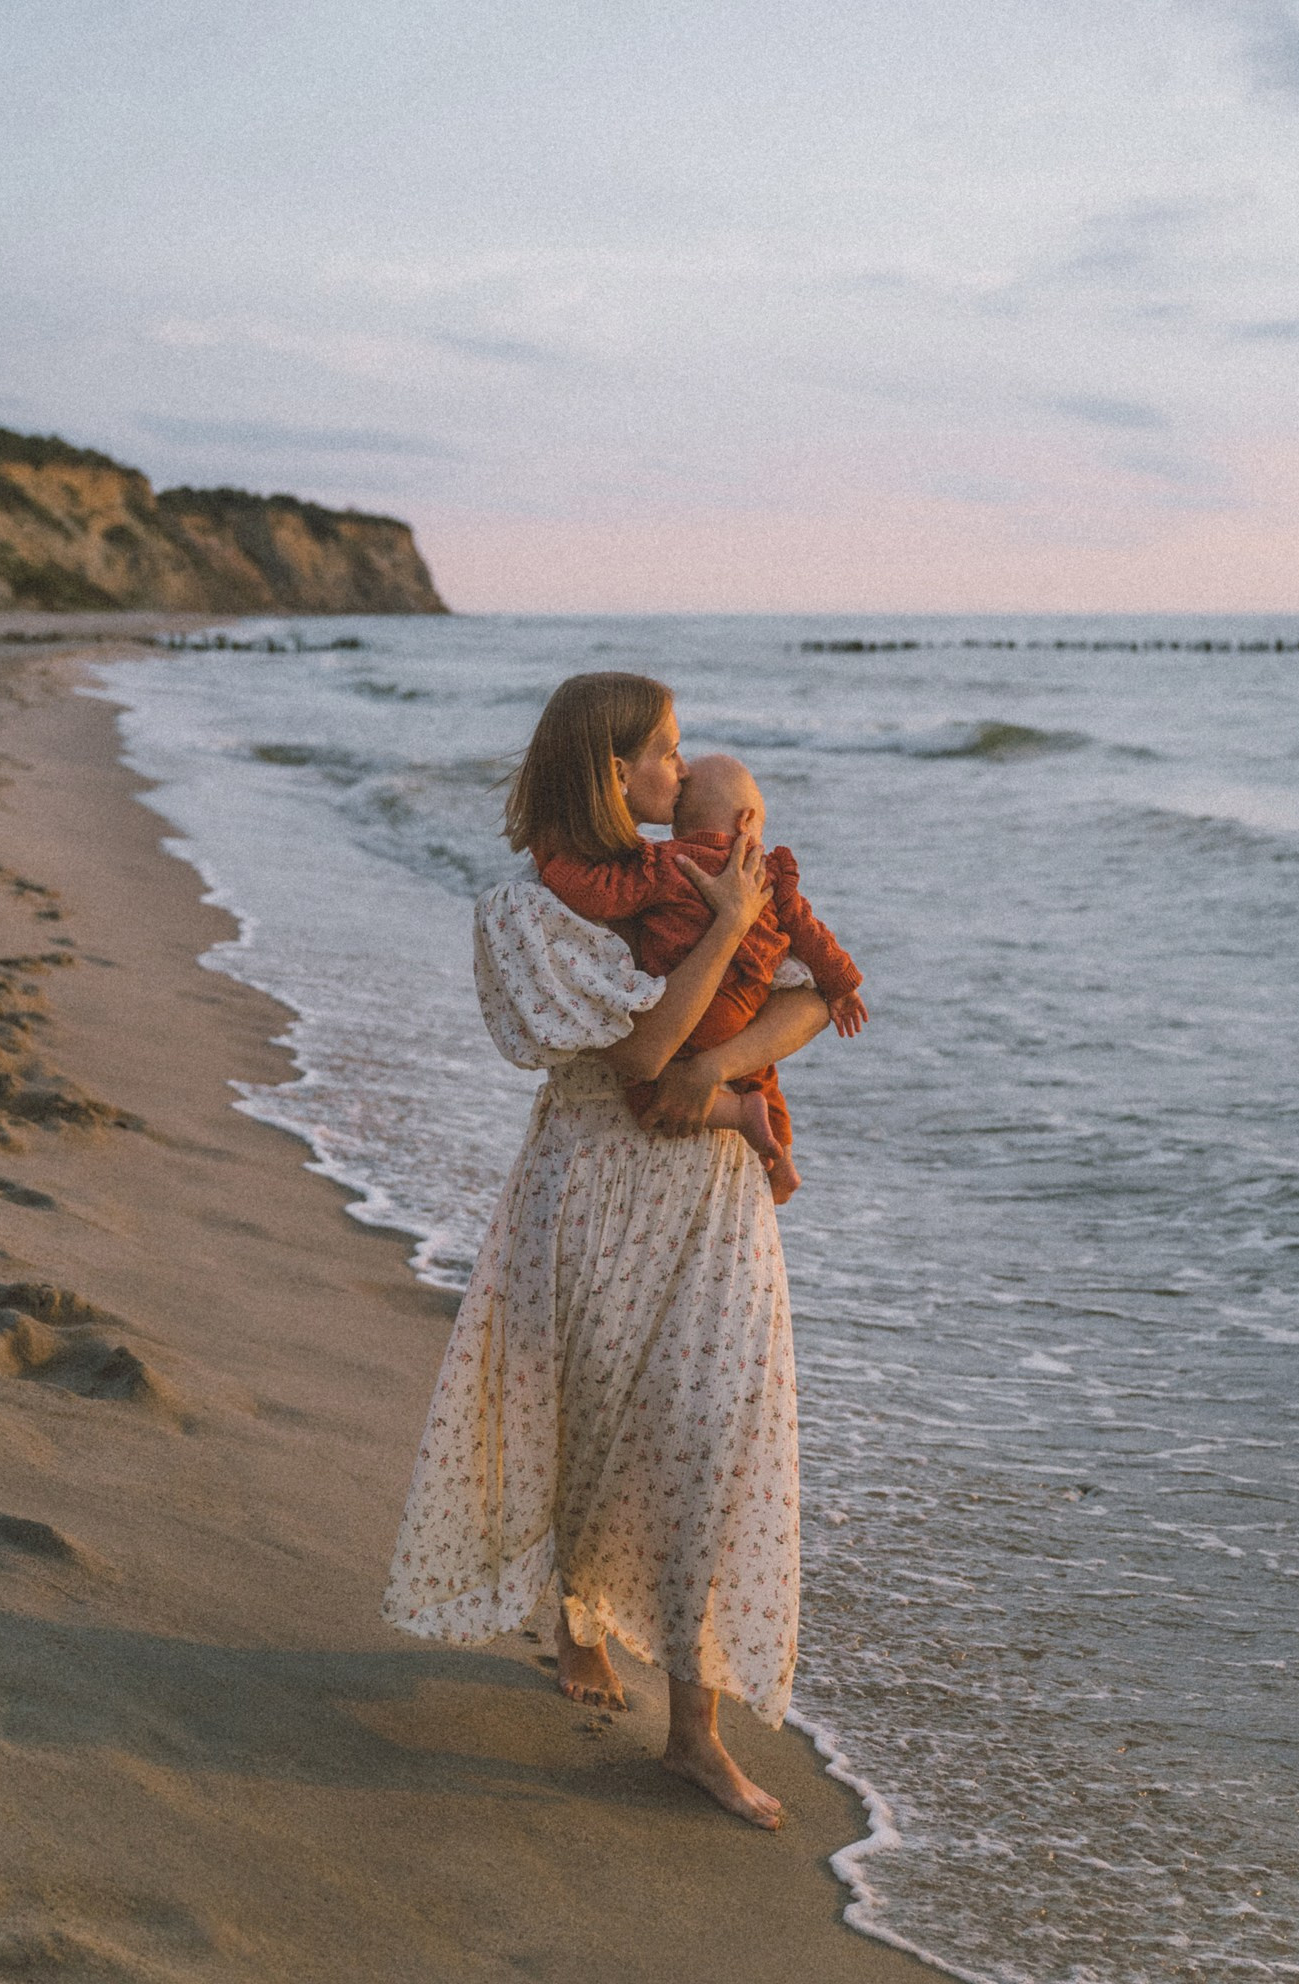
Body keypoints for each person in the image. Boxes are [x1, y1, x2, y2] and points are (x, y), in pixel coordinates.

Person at [385, 672, 830, 1828]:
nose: (681, 771)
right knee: (589, 1415)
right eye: (663, 752)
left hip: (713, 1196)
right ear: (608, 768)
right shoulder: (530, 911)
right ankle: (583, 1621)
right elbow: (639, 1055)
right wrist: (719, 947)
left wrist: (717, 1074)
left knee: (711, 1429)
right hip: (592, 1186)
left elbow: (808, 998)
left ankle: (693, 1732)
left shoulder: (691, 864)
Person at [535, 749, 866, 1205]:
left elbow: (600, 896)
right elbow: (809, 933)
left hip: (694, 1005)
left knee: (644, 1090)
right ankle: (784, 1162)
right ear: (749, 819)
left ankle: (738, 1114)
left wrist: (550, 858)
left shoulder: (667, 863)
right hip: (749, 1003)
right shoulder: (766, 871)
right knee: (761, 1072)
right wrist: (843, 983)